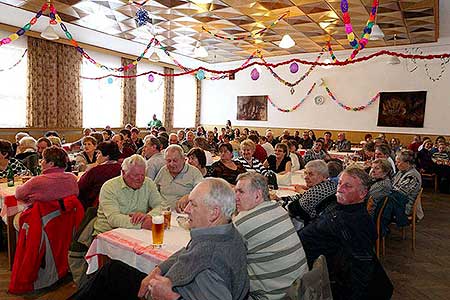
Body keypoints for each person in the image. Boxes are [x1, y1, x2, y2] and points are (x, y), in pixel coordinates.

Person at [72, 178, 249, 300]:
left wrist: (172, 297)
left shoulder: (211, 260)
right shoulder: (225, 232)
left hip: (165, 294)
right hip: (167, 285)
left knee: (107, 281)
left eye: (193, 204)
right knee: (112, 270)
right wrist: (157, 270)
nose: (186, 209)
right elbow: (186, 250)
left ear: (214, 212)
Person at [299, 166, 393, 300]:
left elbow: (361, 269)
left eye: (348, 186)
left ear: (363, 193)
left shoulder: (356, 223)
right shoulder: (342, 208)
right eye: (339, 183)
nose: (340, 188)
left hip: (309, 274)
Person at [234, 173, 308, 300]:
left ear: (257, 195)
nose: (235, 197)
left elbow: (222, 258)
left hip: (276, 296)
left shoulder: (243, 222)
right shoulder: (279, 209)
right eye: (235, 192)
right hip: (301, 289)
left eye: (240, 192)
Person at [93, 154, 163, 235]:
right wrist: (142, 224)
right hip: (107, 234)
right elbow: (113, 219)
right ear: (123, 172)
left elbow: (160, 205)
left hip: (136, 232)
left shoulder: (148, 183)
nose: (140, 179)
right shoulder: (109, 187)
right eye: (135, 175)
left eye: (143, 175)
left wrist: (149, 216)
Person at [281, 160, 337, 224]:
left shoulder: (316, 191)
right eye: (305, 173)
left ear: (324, 177)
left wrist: (281, 202)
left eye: (311, 174)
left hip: (315, 229)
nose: (305, 177)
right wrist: (282, 198)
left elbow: (292, 209)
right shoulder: (330, 184)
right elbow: (304, 196)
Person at [381, 150, 422, 234]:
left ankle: (380, 229)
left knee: (380, 205)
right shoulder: (401, 172)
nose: (396, 164)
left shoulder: (412, 176)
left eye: (398, 162)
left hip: (405, 206)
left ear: (407, 163)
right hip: (399, 201)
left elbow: (399, 193)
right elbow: (391, 184)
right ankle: (380, 228)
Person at [155, 145, 203, 210]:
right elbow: (154, 189)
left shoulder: (194, 172)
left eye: (175, 161)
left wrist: (189, 196)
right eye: (168, 161)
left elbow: (202, 192)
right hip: (162, 211)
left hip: (184, 213)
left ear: (183, 159)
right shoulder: (163, 170)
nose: (171, 164)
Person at [77, 141, 122, 209]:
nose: (96, 155)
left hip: (94, 206)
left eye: (99, 153)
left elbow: (80, 187)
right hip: (118, 204)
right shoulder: (122, 168)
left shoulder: (96, 171)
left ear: (107, 156)